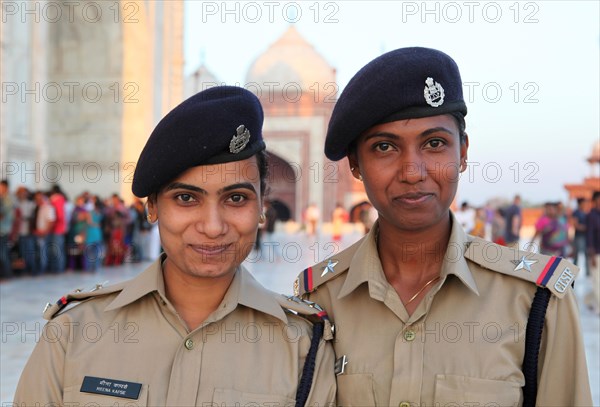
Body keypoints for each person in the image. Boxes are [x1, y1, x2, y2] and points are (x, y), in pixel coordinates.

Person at [294, 47, 592, 406]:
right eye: (385, 147)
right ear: (355, 165)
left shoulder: (535, 301)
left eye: (434, 144)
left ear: (463, 153)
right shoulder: (318, 301)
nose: (413, 172)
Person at [14, 86, 336, 406]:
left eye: (236, 198)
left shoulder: (302, 348)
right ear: (152, 206)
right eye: (186, 198)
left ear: (262, 205)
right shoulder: (74, 334)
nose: (212, 227)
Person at [585, 191, 600, 314]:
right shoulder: (591, 216)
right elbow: (589, 235)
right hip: (596, 253)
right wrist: (592, 254)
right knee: (596, 279)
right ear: (595, 201)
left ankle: (589, 300)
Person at [571, 198, 588, 268]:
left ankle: (588, 272)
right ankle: (574, 270)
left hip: (586, 236)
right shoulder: (576, 212)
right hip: (579, 236)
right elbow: (576, 225)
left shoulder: (586, 212)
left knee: (587, 254)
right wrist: (585, 228)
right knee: (576, 254)